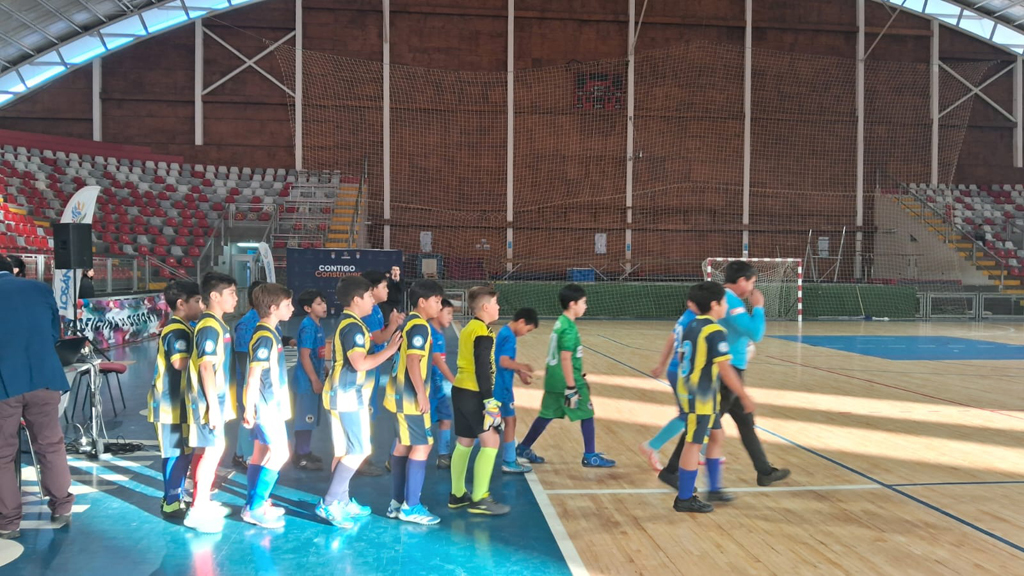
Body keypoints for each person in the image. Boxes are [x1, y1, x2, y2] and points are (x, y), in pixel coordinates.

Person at [659, 261, 790, 489]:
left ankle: (764, 471)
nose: (753, 287)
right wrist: (758, 307)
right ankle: (672, 471)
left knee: (744, 422)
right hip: (725, 372)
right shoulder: (729, 301)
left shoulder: (721, 299)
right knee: (701, 425)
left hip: (727, 370)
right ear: (741, 281)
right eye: (752, 282)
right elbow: (756, 333)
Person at [316, 276, 401, 529]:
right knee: (359, 450)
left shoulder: (350, 323)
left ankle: (341, 500)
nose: (372, 301)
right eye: (369, 297)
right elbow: (360, 363)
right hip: (347, 397)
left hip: (342, 395)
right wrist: (389, 350)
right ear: (356, 299)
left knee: (344, 451)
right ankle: (330, 502)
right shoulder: (354, 328)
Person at [0, 255, 75, 540]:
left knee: (3, 454)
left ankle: (9, 522)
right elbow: (54, 333)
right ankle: (62, 507)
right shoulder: (40, 288)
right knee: (50, 445)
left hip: (4, 384)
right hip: (44, 377)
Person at [672, 281, 755, 513]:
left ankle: (714, 488)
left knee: (717, 436)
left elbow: (681, 358)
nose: (727, 305)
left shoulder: (692, 325)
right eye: (724, 302)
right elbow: (726, 370)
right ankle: (684, 498)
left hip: (700, 393)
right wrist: (744, 396)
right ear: (714, 304)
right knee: (693, 443)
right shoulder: (715, 331)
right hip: (700, 396)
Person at [516, 284, 615, 468]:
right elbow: (565, 358)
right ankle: (590, 455)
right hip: (568, 382)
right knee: (587, 413)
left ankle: (523, 448)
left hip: (553, 380)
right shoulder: (569, 328)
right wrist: (571, 386)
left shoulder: (560, 322)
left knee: (546, 414)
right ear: (572, 304)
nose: (586, 306)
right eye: (583, 302)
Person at [384, 279, 445, 525]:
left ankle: (397, 503)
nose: (440, 306)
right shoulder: (420, 326)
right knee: (423, 445)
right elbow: (412, 361)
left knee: (403, 445)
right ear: (422, 302)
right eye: (437, 301)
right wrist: (421, 394)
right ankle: (411, 507)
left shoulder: (410, 321)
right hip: (409, 398)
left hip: (398, 395)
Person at [184, 271, 239, 533]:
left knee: (206, 450)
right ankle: (197, 510)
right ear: (214, 296)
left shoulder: (218, 324)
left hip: (216, 399)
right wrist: (214, 409)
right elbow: (205, 367)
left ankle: (202, 500)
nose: (236, 298)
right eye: (231, 293)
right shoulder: (209, 326)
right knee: (213, 451)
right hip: (208, 403)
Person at [449, 286, 510, 516]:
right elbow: (482, 368)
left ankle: (457, 494)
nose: (498, 307)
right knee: (491, 441)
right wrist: (489, 401)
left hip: (460, 390)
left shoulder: (469, 328)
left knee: (465, 441)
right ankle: (480, 498)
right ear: (485, 307)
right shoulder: (483, 332)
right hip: (474, 393)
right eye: (495, 303)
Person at [148, 279, 203, 519]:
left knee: (183, 452)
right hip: (170, 405)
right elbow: (179, 362)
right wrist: (206, 360)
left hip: (180, 403)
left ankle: (174, 495)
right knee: (176, 453)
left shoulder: (185, 327)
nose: (201, 306)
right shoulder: (177, 330)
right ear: (181, 304)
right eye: (197, 301)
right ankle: (171, 500)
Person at [241, 283, 294, 529]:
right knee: (280, 454)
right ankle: (255, 508)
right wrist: (248, 408)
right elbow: (253, 376)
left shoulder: (271, 332)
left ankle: (252, 504)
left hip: (271, 404)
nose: (292, 309)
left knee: (260, 454)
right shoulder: (264, 336)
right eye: (287, 305)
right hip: (266, 406)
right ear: (273, 308)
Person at [640, 304, 697, 472]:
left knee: (699, 412)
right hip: (683, 372)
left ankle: (702, 451)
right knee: (690, 414)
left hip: (676, 370)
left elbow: (671, 340)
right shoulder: (696, 320)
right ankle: (652, 445)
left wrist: (661, 364)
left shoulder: (687, 315)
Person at [358, 270, 404, 476]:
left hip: (373, 367)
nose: (387, 290)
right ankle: (361, 459)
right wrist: (393, 325)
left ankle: (362, 457)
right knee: (364, 412)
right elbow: (378, 338)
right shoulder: (368, 312)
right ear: (372, 289)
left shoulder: (375, 309)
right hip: (366, 368)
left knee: (368, 411)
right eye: (384, 287)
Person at [494, 308, 539, 473]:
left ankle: (509, 459)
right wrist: (523, 366)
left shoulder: (505, 332)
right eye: (528, 329)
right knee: (497, 423)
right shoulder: (509, 336)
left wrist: (520, 372)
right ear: (521, 322)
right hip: (501, 387)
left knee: (507, 421)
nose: (526, 333)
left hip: (503, 385)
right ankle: (509, 460)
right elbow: (504, 362)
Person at [291, 289, 328, 471]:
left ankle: (305, 450)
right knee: (304, 419)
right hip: (306, 382)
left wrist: (324, 369)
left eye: (324, 302)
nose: (324, 306)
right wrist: (314, 379)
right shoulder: (308, 327)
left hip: (314, 376)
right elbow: (304, 355)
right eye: (319, 304)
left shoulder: (318, 325)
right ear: (307, 308)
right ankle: (300, 455)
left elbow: (317, 353)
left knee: (310, 418)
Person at [231, 281, 265, 471]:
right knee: (249, 416)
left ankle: (239, 453)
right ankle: (246, 456)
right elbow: (244, 360)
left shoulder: (266, 320)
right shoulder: (247, 324)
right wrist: (252, 386)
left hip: (262, 382)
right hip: (250, 382)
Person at [429, 298, 457, 469]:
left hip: (438, 388)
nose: (451, 317)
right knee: (417, 427)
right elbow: (438, 361)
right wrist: (455, 382)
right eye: (448, 313)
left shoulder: (440, 333)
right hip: (428, 389)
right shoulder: (430, 332)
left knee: (446, 418)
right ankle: (395, 457)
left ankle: (443, 455)